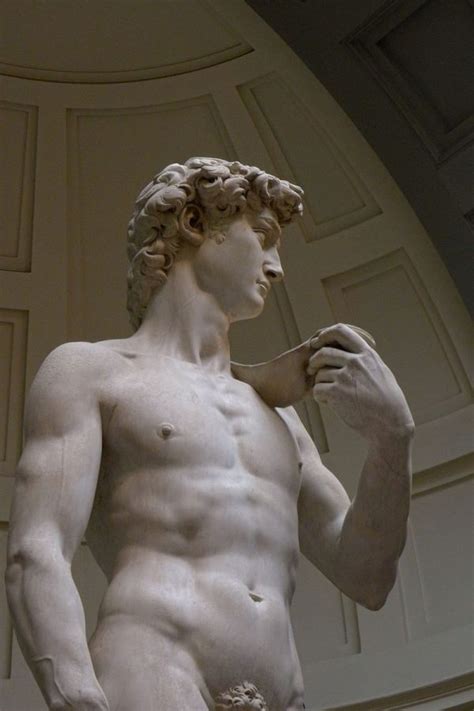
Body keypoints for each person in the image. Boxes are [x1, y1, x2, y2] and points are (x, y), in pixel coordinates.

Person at [5, 158, 415, 711]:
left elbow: (367, 577)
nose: (277, 268)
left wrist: (392, 439)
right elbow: (38, 549)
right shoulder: (92, 373)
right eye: (263, 236)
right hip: (150, 669)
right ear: (195, 223)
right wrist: (72, 690)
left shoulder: (280, 418)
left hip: (283, 695)